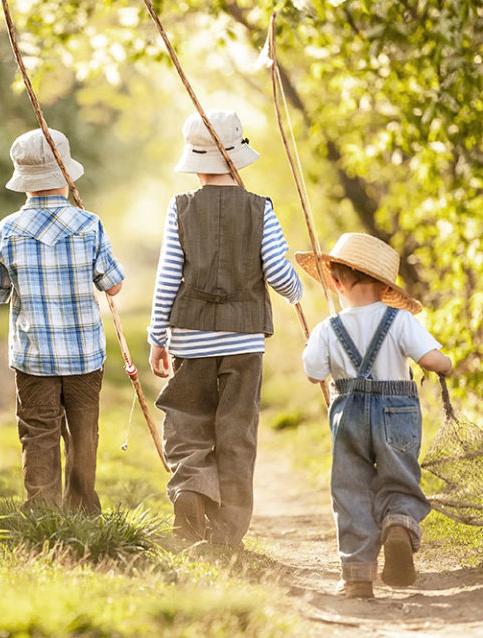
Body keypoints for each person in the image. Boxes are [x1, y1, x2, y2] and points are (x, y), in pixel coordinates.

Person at [0, 128, 124, 515]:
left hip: (33, 357)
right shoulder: (89, 224)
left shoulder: (10, 229)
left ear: (23, 181)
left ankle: (42, 510)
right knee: (83, 433)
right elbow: (114, 285)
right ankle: (83, 509)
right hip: (84, 356)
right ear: (67, 176)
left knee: (39, 431)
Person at [147, 110, 303, 547]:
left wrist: (158, 336)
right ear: (238, 159)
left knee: (187, 421)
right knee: (236, 431)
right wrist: (296, 291)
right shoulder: (260, 209)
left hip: (190, 338)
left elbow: (167, 277)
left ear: (196, 164)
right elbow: (277, 269)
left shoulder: (180, 207)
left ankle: (191, 493)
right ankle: (227, 531)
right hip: (244, 341)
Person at [299, 233, 451, 599]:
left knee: (350, 489)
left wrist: (318, 347)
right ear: (385, 287)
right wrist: (446, 365)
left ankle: (357, 577)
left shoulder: (327, 329)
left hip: (348, 414)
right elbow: (432, 360)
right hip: (395, 413)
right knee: (399, 478)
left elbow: (313, 372)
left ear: (335, 282)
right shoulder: (399, 321)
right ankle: (398, 524)